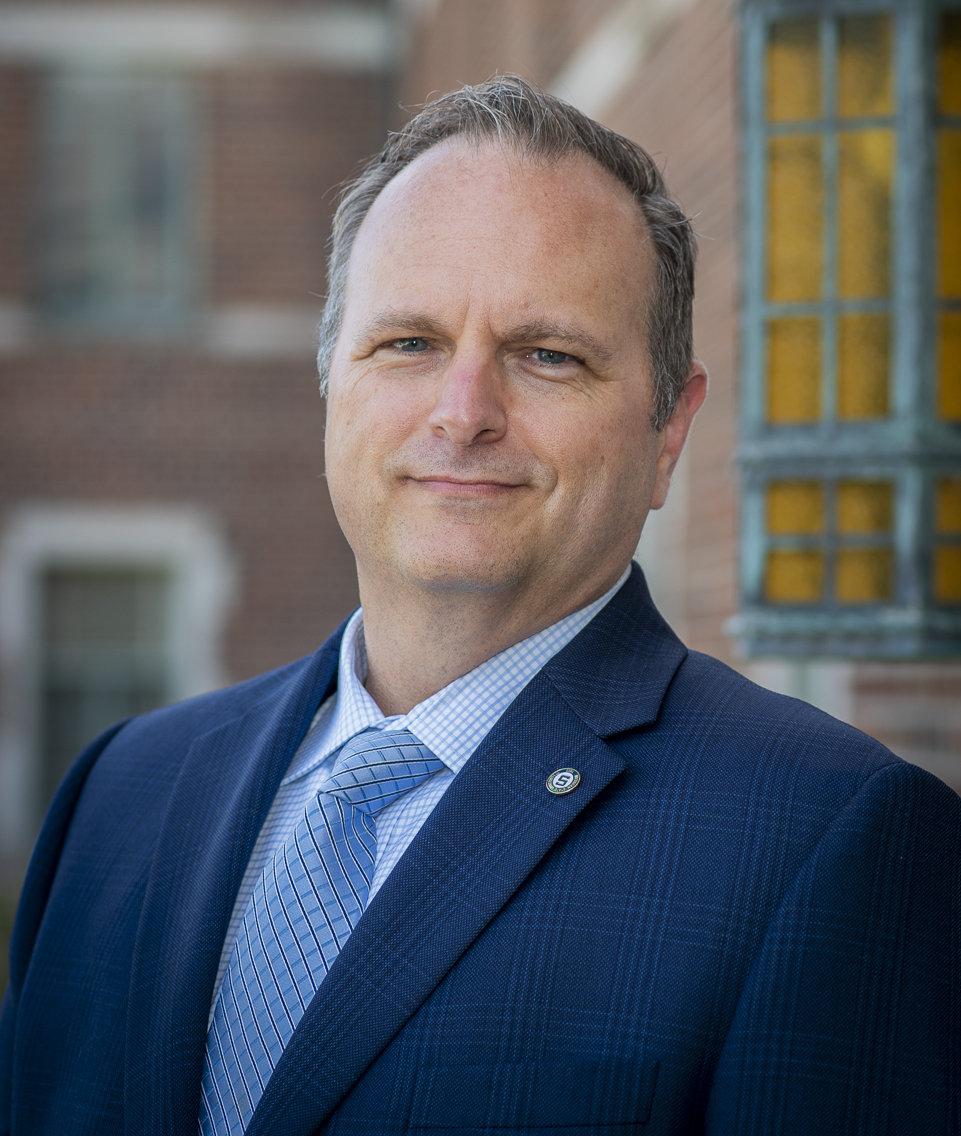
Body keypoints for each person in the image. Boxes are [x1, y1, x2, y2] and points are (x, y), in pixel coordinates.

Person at [1, 76, 957, 1136]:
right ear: (332, 379)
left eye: (547, 356)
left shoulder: (833, 841)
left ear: (667, 431)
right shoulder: (121, 793)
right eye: (406, 342)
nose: (463, 414)